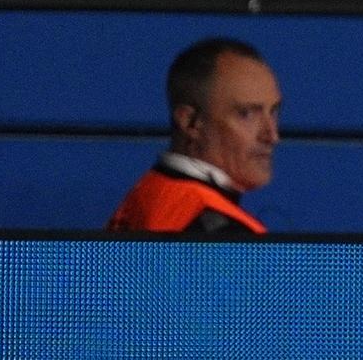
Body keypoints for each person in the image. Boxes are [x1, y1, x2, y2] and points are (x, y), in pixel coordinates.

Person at [107, 37, 281, 236]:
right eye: (246, 114)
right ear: (190, 122)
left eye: (274, 112)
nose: (272, 136)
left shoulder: (147, 193)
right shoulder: (223, 235)